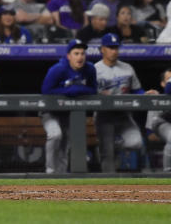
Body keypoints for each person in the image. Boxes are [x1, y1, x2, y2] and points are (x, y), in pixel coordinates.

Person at [95, 34, 157, 173]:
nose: (114, 51)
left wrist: (144, 94)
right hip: (104, 116)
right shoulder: (94, 70)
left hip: (124, 115)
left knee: (136, 143)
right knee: (108, 157)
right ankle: (108, 187)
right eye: (110, 48)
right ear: (102, 49)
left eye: (116, 47)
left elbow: (136, 90)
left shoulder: (127, 68)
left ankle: (111, 146)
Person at [41, 39, 98, 174]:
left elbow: (93, 90)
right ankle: (50, 171)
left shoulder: (89, 69)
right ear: (69, 56)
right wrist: (69, 91)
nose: (80, 57)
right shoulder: (58, 69)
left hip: (69, 113)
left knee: (64, 145)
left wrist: (77, 90)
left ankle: (61, 176)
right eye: (76, 53)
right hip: (51, 111)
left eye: (82, 54)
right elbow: (46, 91)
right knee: (55, 135)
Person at [145, 68, 171, 172]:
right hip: (162, 123)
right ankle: (168, 174)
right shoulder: (157, 99)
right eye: (168, 79)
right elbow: (151, 136)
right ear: (163, 83)